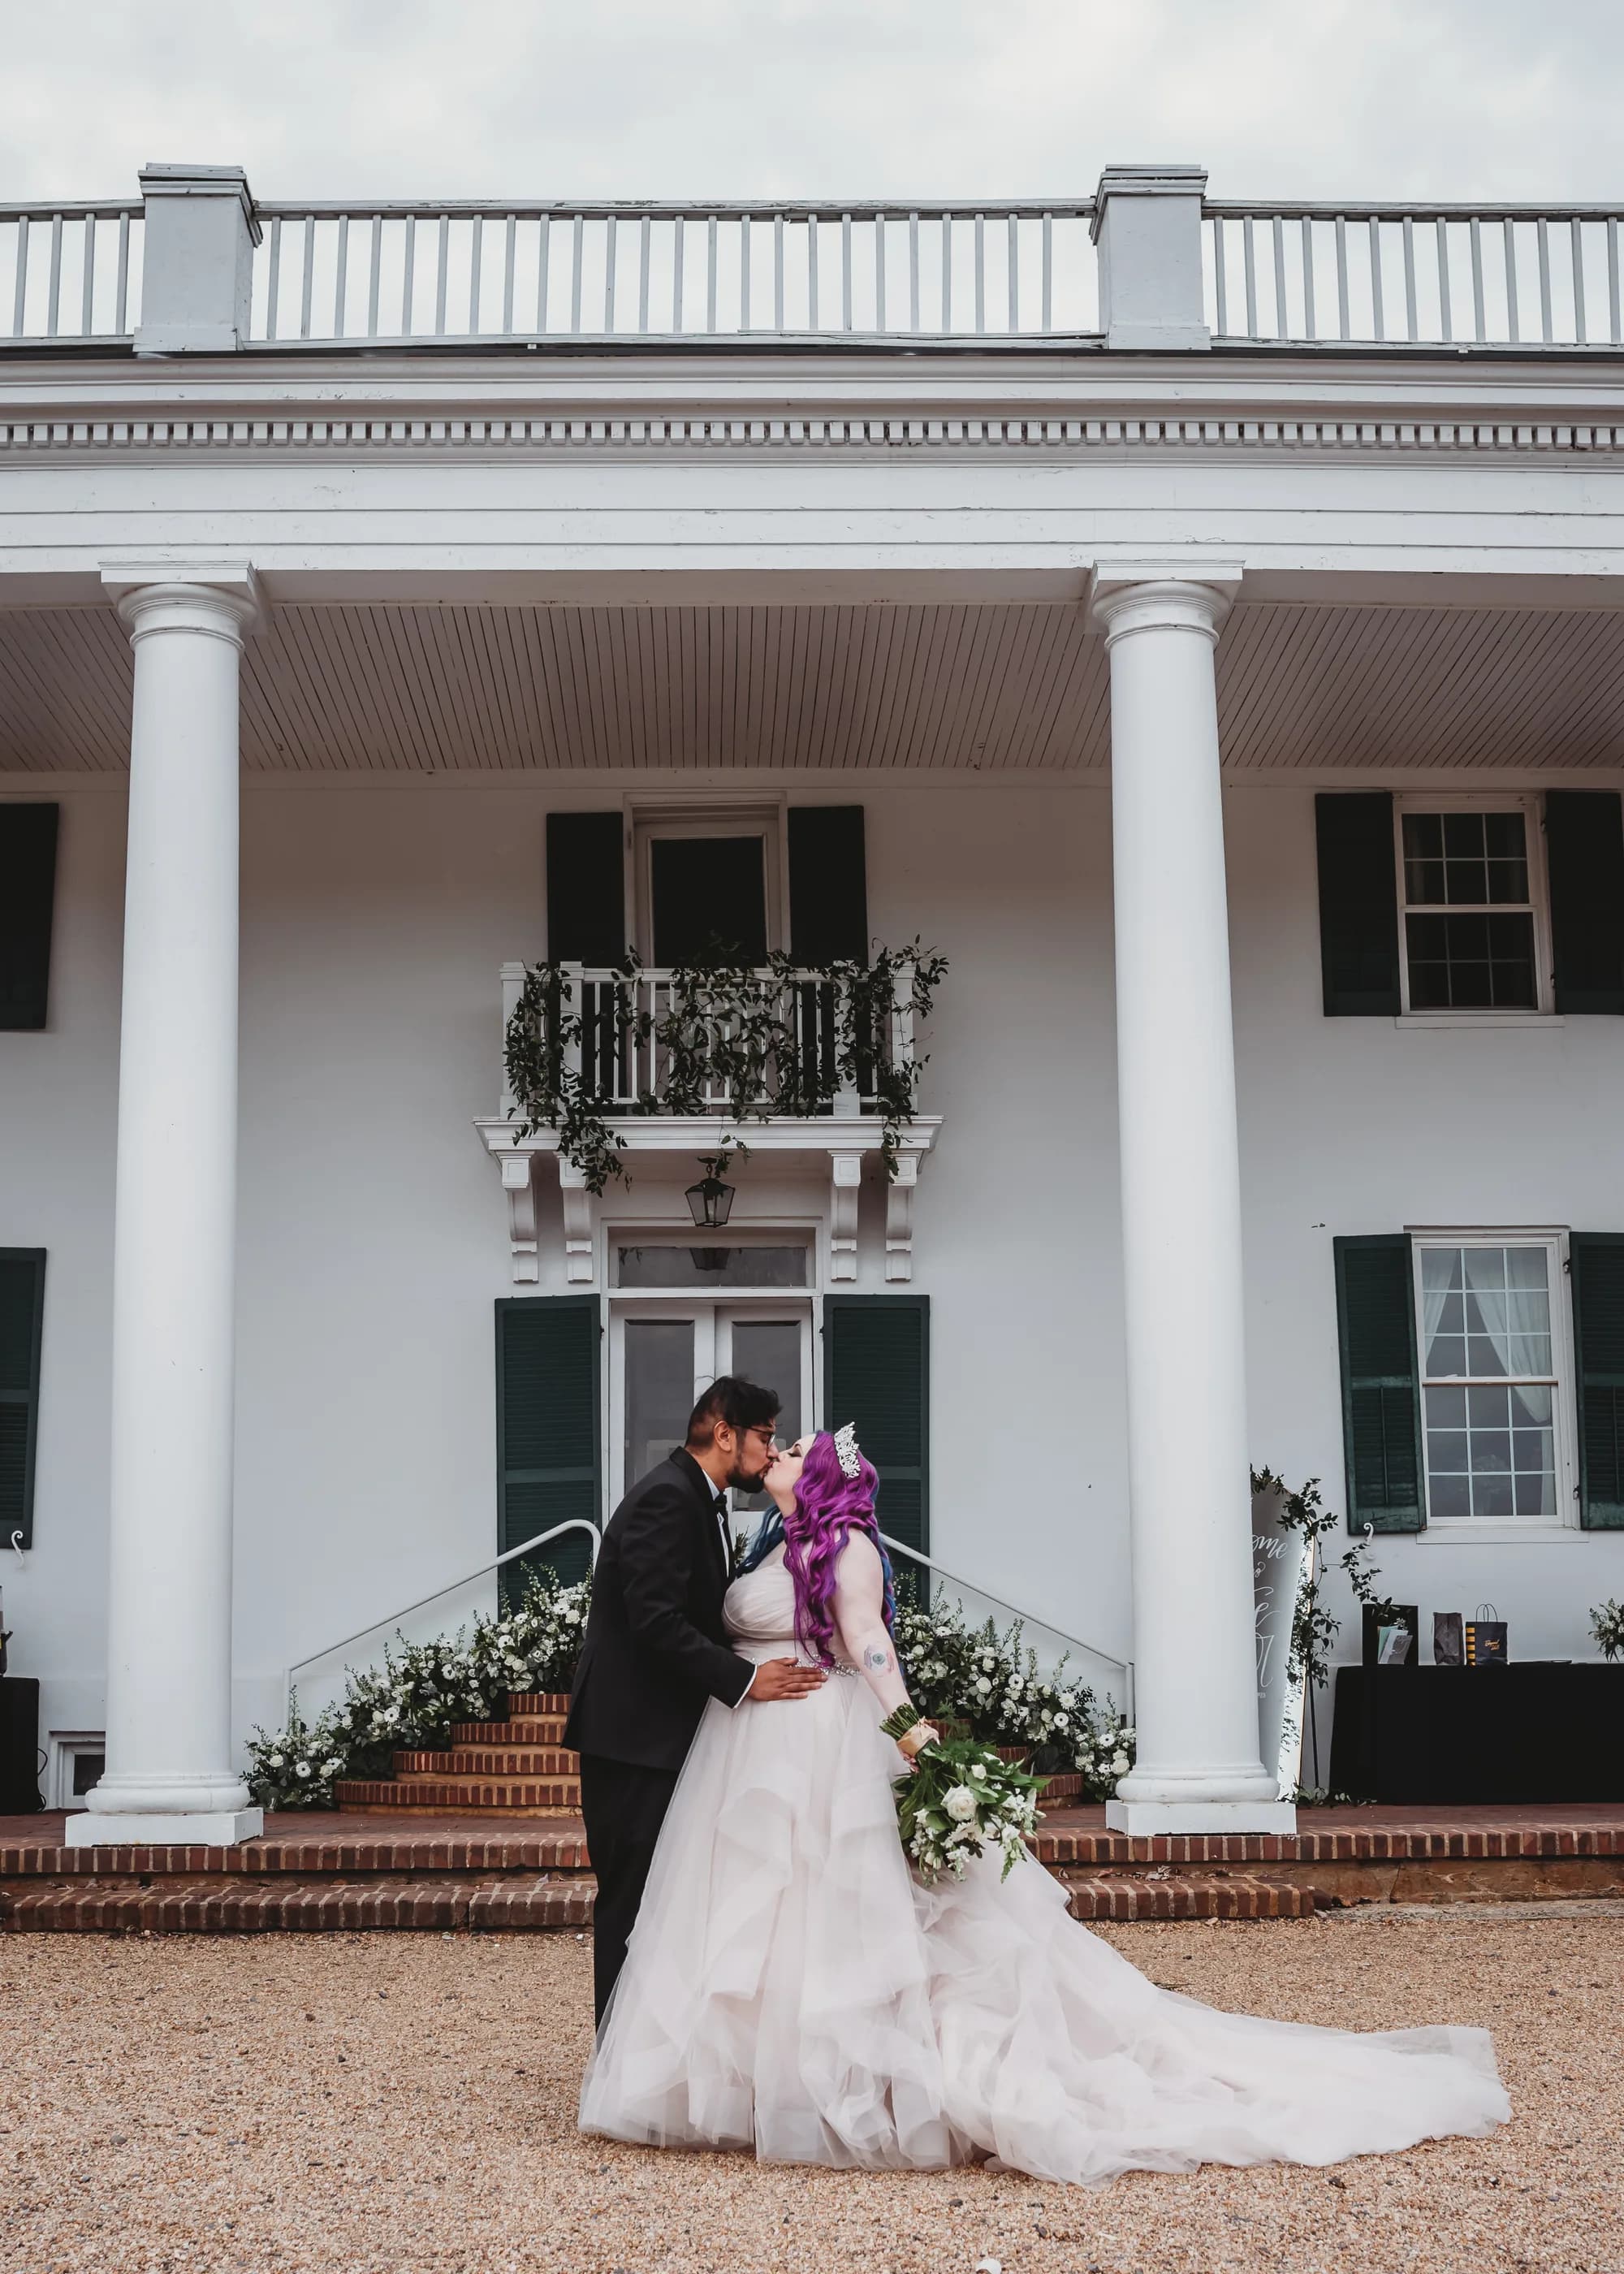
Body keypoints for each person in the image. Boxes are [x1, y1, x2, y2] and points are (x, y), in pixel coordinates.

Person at [580, 1428, 1510, 2184]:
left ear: (817, 1481)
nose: (772, 1455)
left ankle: (857, 2081)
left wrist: (911, 1736)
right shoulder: (769, 1540)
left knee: (844, 1904)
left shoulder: (844, 1545)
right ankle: (756, 2080)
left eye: (789, 1453)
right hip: (754, 1745)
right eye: (771, 1446)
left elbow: (866, 1642)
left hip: (822, 1741)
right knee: (765, 1911)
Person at [564, 1377, 826, 2023]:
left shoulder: (698, 1499)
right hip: (632, 1740)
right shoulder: (667, 1499)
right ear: (725, 1433)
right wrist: (745, 1681)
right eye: (765, 1437)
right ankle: (616, 2060)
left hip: (664, 1734)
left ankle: (648, 2055)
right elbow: (655, 1621)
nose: (770, 1453)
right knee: (632, 1899)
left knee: (667, 1899)